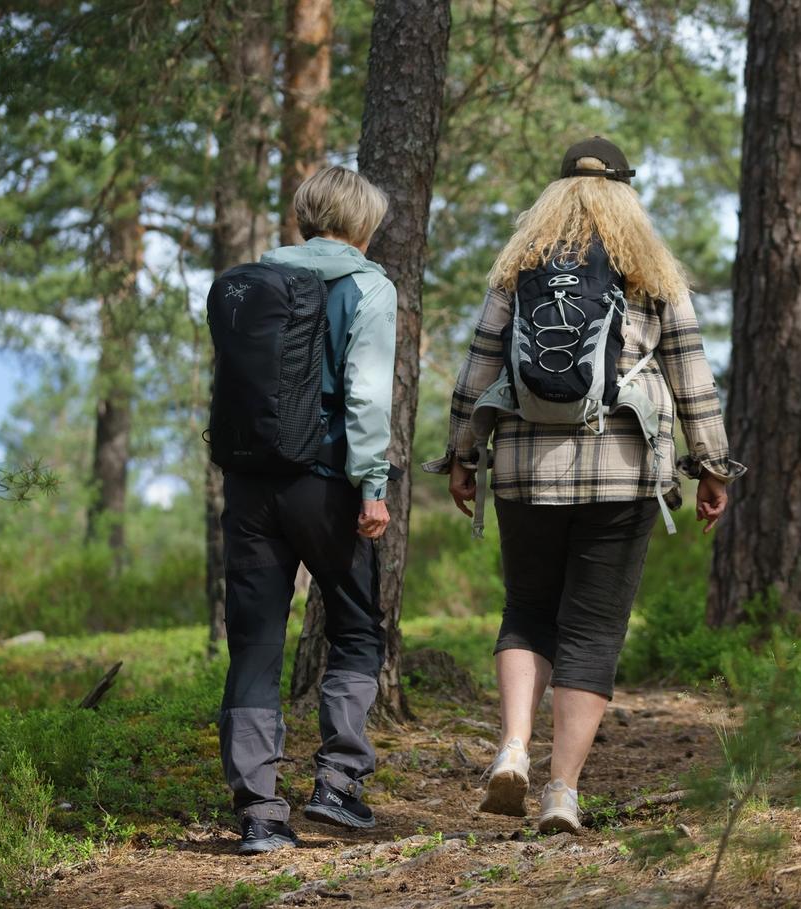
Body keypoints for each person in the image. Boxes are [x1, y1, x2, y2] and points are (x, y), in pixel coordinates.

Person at [424, 137, 746, 835]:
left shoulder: (520, 268)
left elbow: (479, 366)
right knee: (594, 629)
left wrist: (461, 454)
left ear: (556, 194)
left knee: (527, 609)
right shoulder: (650, 271)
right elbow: (692, 375)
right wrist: (712, 464)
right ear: (626, 194)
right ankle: (561, 791)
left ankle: (513, 745)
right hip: (623, 472)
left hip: (524, 471)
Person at [215, 165, 397, 854]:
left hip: (250, 481)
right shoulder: (368, 287)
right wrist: (372, 485)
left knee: (255, 641)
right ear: (362, 224)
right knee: (355, 626)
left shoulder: (254, 282)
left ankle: (259, 813)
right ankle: (338, 782)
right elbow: (367, 395)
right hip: (326, 483)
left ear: (304, 217)